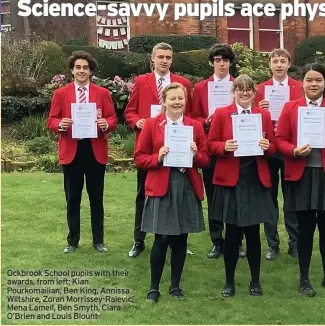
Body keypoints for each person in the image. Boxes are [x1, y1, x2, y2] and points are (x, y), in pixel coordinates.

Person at [275, 63, 325, 296]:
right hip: (302, 176)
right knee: (305, 230)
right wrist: (293, 151)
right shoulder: (291, 108)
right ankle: (304, 279)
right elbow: (279, 139)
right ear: (302, 82)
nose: (313, 84)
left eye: (318, 80)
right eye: (309, 80)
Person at [134, 82, 209, 303]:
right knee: (162, 237)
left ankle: (175, 286)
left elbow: (206, 160)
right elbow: (139, 158)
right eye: (172, 99)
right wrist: (157, 157)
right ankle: (154, 287)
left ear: (186, 101)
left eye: (180, 98)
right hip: (161, 185)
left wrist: (196, 155)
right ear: (164, 102)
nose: (177, 102)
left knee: (180, 238)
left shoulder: (194, 126)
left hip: (186, 185)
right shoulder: (151, 125)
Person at [208, 74, 276, 297]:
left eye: (249, 89)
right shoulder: (221, 113)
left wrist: (267, 146)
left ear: (254, 93)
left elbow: (273, 147)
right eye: (240, 89)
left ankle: (255, 281)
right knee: (233, 233)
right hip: (231, 178)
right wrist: (224, 146)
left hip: (255, 178)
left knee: (254, 233)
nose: (245, 93)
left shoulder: (263, 115)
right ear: (233, 92)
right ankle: (229, 281)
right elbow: (210, 145)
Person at [124, 43, 192, 258]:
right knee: (143, 194)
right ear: (152, 59)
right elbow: (130, 112)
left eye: (168, 57)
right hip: (150, 149)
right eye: (160, 57)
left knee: (177, 195)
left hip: (178, 148)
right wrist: (139, 122)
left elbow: (191, 115)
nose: (164, 61)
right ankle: (139, 239)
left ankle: (177, 238)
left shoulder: (182, 83)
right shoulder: (142, 82)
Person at [47, 51, 117, 254]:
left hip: (95, 150)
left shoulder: (102, 93)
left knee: (96, 198)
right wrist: (60, 124)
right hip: (72, 150)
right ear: (72, 70)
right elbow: (51, 119)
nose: (81, 71)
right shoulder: (61, 94)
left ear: (91, 71)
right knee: (73, 199)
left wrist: (106, 124)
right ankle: (73, 241)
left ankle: (98, 241)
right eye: (78, 67)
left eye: (85, 68)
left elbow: (112, 119)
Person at [192, 43, 246, 260]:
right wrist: (205, 120)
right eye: (217, 60)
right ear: (211, 62)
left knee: (237, 195)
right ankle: (217, 240)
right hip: (211, 146)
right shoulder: (201, 87)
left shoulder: (240, 85)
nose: (221, 64)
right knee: (214, 195)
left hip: (237, 148)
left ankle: (237, 241)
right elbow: (193, 115)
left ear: (230, 62)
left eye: (225, 60)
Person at [255, 48, 303, 260]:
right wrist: (260, 108)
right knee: (269, 197)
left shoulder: (299, 88)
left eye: (283, 61)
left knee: (292, 198)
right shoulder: (260, 90)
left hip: (291, 147)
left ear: (289, 64)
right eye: (275, 61)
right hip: (268, 148)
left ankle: (295, 243)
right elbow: (250, 118)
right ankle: (272, 244)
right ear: (270, 65)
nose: (279, 65)